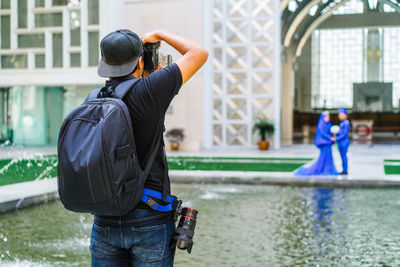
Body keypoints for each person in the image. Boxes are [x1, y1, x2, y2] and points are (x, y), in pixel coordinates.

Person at [89, 29, 208, 266]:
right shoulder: (150, 91)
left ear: (105, 63)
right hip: (149, 219)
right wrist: (159, 33)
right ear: (140, 60)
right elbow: (199, 53)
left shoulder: (95, 99)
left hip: (104, 219)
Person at [295, 111, 338, 176]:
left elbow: (330, 131)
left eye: (328, 116)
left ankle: (328, 170)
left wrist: (333, 134)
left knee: (328, 157)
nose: (328, 118)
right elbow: (323, 134)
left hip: (328, 143)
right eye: (327, 116)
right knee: (324, 157)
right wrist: (330, 138)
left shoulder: (328, 124)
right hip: (324, 143)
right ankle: (322, 170)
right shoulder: (321, 125)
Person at [336, 108, 350, 175]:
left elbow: (344, 134)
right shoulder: (342, 123)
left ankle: (345, 170)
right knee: (342, 156)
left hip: (344, 142)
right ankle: (343, 169)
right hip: (340, 142)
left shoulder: (346, 123)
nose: (340, 116)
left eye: (341, 114)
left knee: (343, 156)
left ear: (345, 115)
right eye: (339, 114)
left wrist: (336, 138)